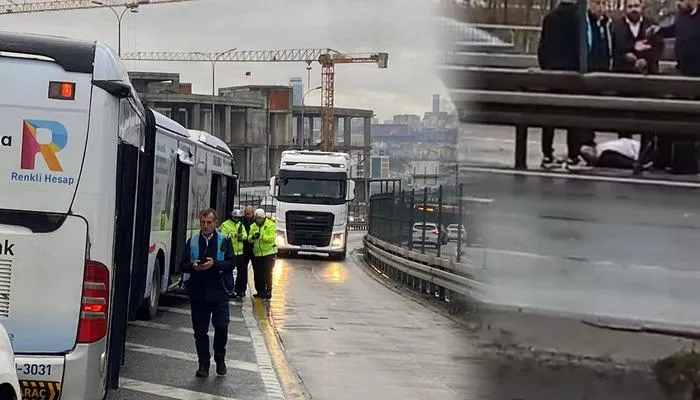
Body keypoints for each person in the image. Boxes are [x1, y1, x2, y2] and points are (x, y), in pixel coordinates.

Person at [180, 208, 234, 378]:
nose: (205, 226)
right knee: (200, 330)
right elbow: (182, 264)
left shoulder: (225, 240)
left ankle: (220, 356)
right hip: (198, 292)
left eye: (209, 222)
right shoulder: (193, 241)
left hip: (219, 291)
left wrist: (215, 264)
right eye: (203, 222)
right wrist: (194, 266)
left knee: (221, 326)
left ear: (215, 223)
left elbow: (232, 263)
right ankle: (203, 363)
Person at [611, 0, 664, 74]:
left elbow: (658, 48)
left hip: (648, 74)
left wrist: (646, 60)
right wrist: (625, 55)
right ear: (625, 8)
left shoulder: (651, 25)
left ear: (642, 6)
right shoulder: (616, 27)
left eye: (636, 6)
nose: (633, 9)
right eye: (630, 7)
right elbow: (614, 48)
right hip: (623, 74)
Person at [219, 209, 248, 300]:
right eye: (236, 217)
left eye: (239, 218)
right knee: (228, 272)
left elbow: (245, 235)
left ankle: (240, 290)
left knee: (242, 272)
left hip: (240, 252)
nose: (238, 219)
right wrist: (234, 235)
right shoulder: (225, 224)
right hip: (229, 252)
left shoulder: (240, 225)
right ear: (232, 217)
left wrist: (241, 236)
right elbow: (222, 235)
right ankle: (228, 290)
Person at [248, 208, 277, 300]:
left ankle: (268, 291)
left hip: (269, 253)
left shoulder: (270, 225)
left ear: (264, 218)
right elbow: (249, 239)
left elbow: (271, 238)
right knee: (258, 273)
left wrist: (261, 236)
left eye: (260, 218)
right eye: (256, 218)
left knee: (267, 273)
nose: (258, 220)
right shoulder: (253, 226)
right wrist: (253, 237)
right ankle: (260, 291)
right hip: (257, 254)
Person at [579, 137, 652, 169]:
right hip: (643, 151)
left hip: (644, 154)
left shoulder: (604, 152)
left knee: (606, 157)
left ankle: (638, 164)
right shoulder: (603, 147)